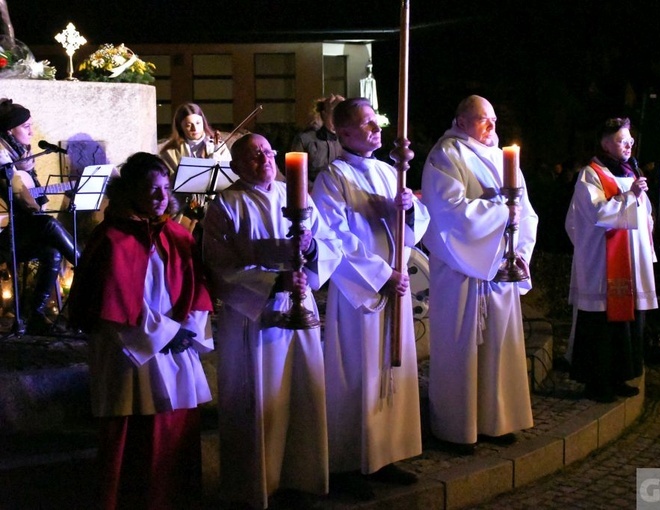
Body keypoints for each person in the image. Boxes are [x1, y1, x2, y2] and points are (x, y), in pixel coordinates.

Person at [67, 152, 214, 510]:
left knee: (174, 426)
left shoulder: (177, 234)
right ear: (130, 190)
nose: (160, 196)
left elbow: (198, 291)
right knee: (134, 432)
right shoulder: (112, 239)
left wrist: (188, 332)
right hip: (130, 351)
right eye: (151, 189)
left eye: (165, 189)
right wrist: (164, 334)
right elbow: (114, 302)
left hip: (177, 345)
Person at [203, 133, 342, 509]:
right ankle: (256, 485)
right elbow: (219, 266)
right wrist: (272, 281)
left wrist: (312, 248)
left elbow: (329, 244)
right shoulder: (225, 205)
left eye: (266, 151)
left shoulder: (292, 195)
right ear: (235, 166)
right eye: (251, 156)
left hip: (299, 306)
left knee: (301, 393)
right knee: (257, 398)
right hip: (255, 318)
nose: (262, 158)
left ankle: (301, 476)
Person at [311, 97, 430, 499]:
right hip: (361, 293)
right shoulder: (333, 177)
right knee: (358, 372)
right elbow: (332, 237)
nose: (377, 129)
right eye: (366, 124)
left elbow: (414, 228)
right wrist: (381, 276)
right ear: (343, 132)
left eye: (376, 122)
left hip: (395, 285)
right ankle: (349, 462)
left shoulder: (388, 171)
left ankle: (386, 454)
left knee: (392, 372)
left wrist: (407, 209)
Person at [420, 95, 538, 454]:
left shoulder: (505, 160)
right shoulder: (446, 155)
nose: (491, 127)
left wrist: (517, 251)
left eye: (494, 120)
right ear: (460, 121)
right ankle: (457, 429)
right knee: (461, 349)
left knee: (499, 347)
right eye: (483, 119)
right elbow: (448, 212)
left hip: (498, 269)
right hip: (461, 273)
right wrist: (501, 212)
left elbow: (527, 213)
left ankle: (496, 420)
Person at [566, 117, 658, 403]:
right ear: (605, 143)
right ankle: (597, 383)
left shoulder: (631, 172)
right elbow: (596, 215)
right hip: (603, 264)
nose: (629, 145)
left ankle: (619, 376)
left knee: (627, 322)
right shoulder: (591, 174)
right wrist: (630, 196)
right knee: (601, 324)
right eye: (621, 140)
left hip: (631, 261)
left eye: (630, 140)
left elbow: (644, 217)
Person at [0, 98, 79, 335]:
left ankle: (35, 314)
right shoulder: (2, 157)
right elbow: (20, 195)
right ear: (8, 131)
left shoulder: (17, 157)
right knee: (47, 223)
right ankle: (88, 266)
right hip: (4, 236)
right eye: (26, 127)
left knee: (51, 251)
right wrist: (35, 207)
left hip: (14, 234)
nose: (32, 132)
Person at [159, 102, 232, 233]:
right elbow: (168, 185)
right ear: (180, 127)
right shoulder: (170, 152)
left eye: (198, 123)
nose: (194, 128)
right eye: (188, 125)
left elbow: (230, 178)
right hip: (184, 206)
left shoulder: (217, 146)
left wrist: (217, 160)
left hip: (215, 204)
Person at [290, 94, 344, 184]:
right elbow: (295, 174)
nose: (338, 119)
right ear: (324, 114)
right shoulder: (304, 139)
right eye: (334, 113)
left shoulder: (347, 139)